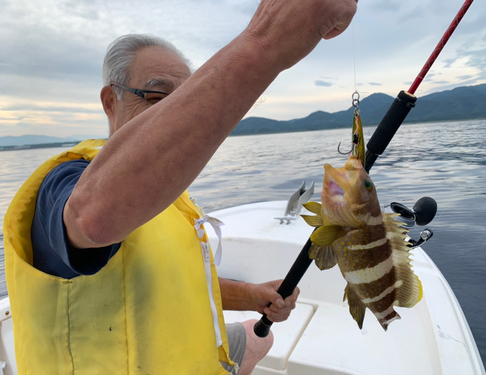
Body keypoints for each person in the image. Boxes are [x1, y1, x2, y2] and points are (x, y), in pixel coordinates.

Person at [3, 0, 358, 374]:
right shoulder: (62, 185)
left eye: (186, 102)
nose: (174, 117)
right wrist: (266, 43)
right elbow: (91, 219)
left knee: (260, 337)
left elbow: (176, 277)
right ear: (111, 101)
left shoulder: (171, 199)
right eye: (157, 98)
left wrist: (253, 296)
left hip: (194, 356)